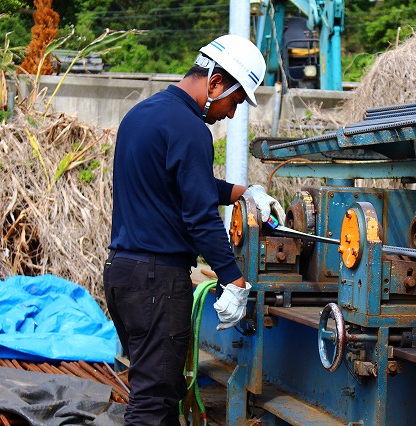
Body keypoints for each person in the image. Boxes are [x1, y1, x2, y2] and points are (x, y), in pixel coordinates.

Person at [103, 34, 285, 426]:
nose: (231, 114)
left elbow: (185, 185)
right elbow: (199, 215)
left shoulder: (142, 114)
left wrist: (245, 193)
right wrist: (234, 280)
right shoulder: (190, 129)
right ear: (216, 82)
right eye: (234, 102)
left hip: (123, 275)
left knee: (160, 397)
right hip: (157, 283)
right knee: (153, 405)